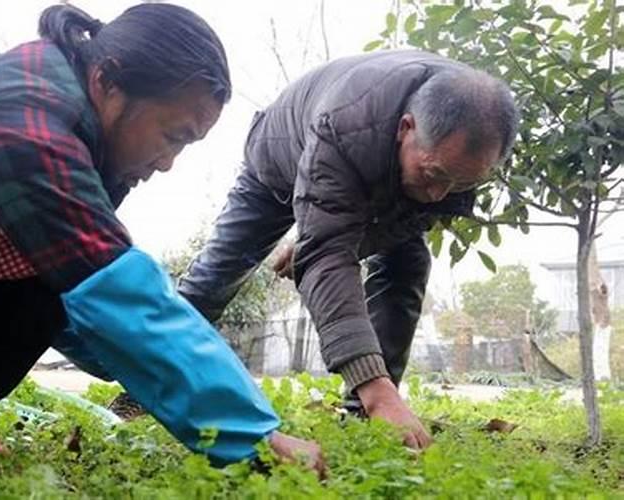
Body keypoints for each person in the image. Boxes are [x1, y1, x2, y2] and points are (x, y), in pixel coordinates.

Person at [0, 3, 324, 474]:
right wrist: (254, 435)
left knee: (56, 281)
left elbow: (98, 302)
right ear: (107, 82)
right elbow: (118, 292)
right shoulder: (23, 119)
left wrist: (136, 363)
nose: (168, 162)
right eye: (173, 136)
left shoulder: (94, 155)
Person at [175, 50, 520, 449]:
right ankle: (149, 379)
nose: (438, 194)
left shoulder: (468, 140)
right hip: (279, 164)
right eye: (433, 175)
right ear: (406, 128)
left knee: (408, 261)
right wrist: (318, 242)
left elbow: (400, 221)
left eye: (459, 184)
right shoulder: (348, 122)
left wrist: (315, 240)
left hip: (377, 180)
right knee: (218, 273)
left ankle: (366, 416)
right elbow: (328, 255)